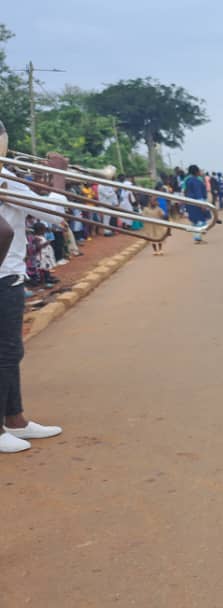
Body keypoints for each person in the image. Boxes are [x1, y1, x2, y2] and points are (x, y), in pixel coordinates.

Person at [0, 124, 63, 453]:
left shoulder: (6, 176)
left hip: (8, 273)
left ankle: (16, 420)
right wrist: (58, 177)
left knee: (10, 352)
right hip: (4, 275)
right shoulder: (4, 178)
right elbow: (54, 214)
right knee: (6, 353)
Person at [183, 165, 210, 244]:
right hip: (196, 203)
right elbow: (198, 194)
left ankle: (197, 237)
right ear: (196, 172)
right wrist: (202, 205)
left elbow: (185, 191)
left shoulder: (187, 180)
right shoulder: (196, 181)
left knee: (195, 221)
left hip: (190, 202)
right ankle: (198, 238)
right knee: (201, 221)